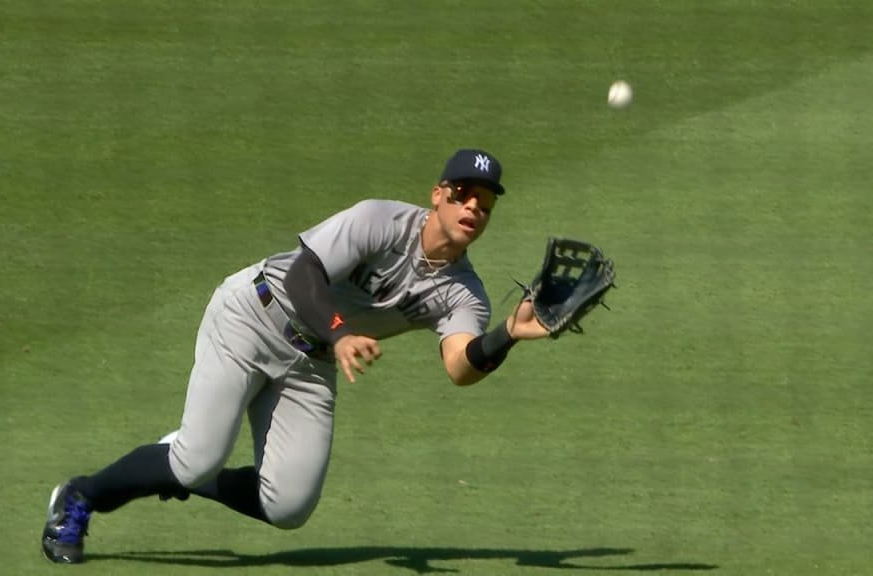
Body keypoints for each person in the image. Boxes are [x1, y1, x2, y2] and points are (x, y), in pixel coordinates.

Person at [41, 149, 551, 564]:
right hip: (252, 315)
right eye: (462, 195)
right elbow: (302, 274)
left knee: (286, 506)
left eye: (484, 205)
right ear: (438, 195)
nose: (471, 210)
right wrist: (341, 334)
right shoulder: (379, 219)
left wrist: (508, 331)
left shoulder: (466, 294)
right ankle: (81, 496)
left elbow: (460, 366)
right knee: (196, 460)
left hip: (309, 364)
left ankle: (185, 463)